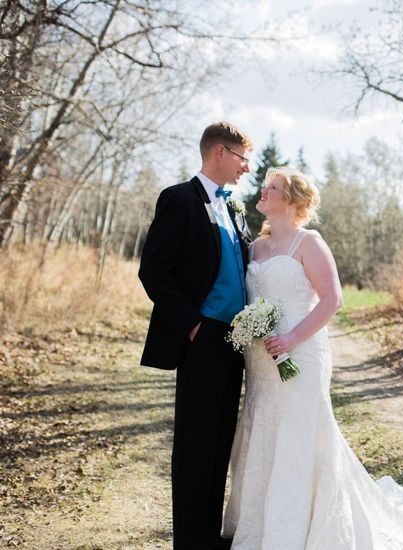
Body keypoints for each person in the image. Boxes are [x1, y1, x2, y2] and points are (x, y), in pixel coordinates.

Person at [222, 167, 403, 549]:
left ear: (293, 202)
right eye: (266, 185)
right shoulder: (254, 247)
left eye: (273, 187)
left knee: (300, 433)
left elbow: (334, 300)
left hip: (300, 353)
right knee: (264, 427)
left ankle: (298, 530)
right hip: (262, 362)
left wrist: (290, 338)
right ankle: (261, 527)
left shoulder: (309, 243)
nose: (263, 190)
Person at [138, 121, 253, 550]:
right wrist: (191, 324)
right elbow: (154, 270)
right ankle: (189, 541)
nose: (246, 168)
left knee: (221, 436)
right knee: (194, 442)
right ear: (220, 153)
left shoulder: (235, 208)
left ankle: (209, 535)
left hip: (236, 341)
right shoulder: (179, 199)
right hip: (200, 337)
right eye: (242, 158)